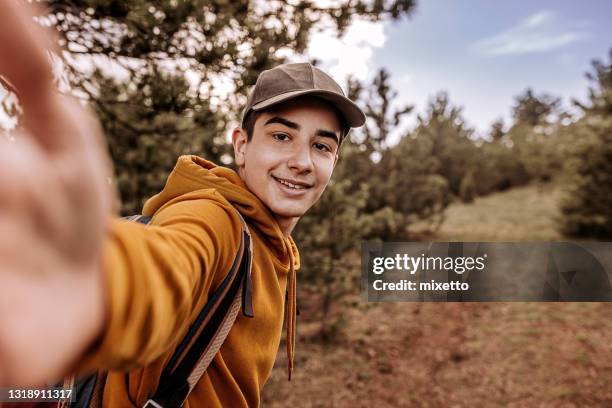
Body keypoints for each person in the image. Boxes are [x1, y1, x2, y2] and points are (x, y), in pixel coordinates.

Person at [0, 2, 365, 407]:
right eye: (281, 136)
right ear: (242, 146)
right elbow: (169, 265)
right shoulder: (215, 218)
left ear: (334, 161)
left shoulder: (276, 246)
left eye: (321, 146)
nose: (301, 161)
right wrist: (87, 288)